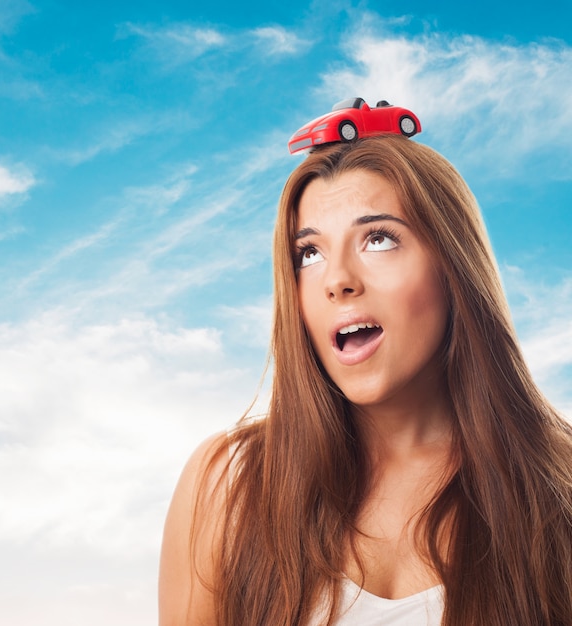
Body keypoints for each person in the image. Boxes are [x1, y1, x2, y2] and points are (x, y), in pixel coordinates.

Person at [158, 134, 572, 625]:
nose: (338, 279)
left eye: (378, 238)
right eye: (308, 253)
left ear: (454, 266)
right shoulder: (226, 487)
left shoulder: (557, 491)